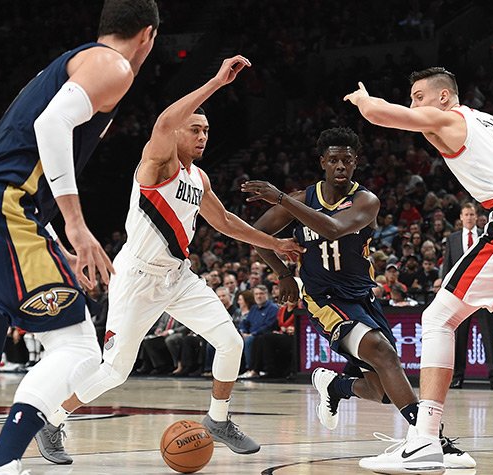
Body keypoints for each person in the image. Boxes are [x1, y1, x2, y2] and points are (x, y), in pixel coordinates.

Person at [0, 2, 161, 473]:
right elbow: (50, 126)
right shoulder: (112, 63)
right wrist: (77, 228)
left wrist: (58, 241)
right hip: (1, 208)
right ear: (148, 36)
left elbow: (33, 159)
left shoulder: (71, 63)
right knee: (79, 348)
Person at [35, 55, 303, 463]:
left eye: (207, 130)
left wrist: (274, 242)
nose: (203, 136)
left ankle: (217, 419)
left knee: (230, 342)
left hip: (178, 277)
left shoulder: (199, 178)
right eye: (195, 128)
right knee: (115, 372)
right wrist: (216, 81)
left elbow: (226, 221)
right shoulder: (157, 164)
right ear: (177, 131)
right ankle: (51, 421)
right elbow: (163, 122)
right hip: (137, 278)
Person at [344, 67, 493, 473]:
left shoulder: (449, 117)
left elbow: (384, 116)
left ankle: (424, 439)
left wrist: (365, 102)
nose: (415, 104)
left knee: (438, 318)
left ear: (442, 97)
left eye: (418, 96)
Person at [242, 127, 475, 470]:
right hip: (323, 297)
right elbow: (255, 236)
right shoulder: (302, 198)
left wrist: (281, 199)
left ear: (355, 164)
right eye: (333, 159)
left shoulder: (366, 201)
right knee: (382, 352)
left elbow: (332, 229)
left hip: (361, 297)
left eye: (346, 160)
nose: (340, 166)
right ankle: (431, 437)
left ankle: (335, 385)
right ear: (322, 162)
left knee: (382, 389)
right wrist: (283, 273)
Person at [441, 202, 493, 390]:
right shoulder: (452, 239)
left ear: (476, 217)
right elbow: (448, 268)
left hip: (482, 294)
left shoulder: (485, 235)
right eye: (465, 214)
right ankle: (458, 377)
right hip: (460, 295)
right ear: (460, 217)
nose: (468, 217)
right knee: (460, 338)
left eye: (471, 214)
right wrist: (445, 292)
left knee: (488, 337)